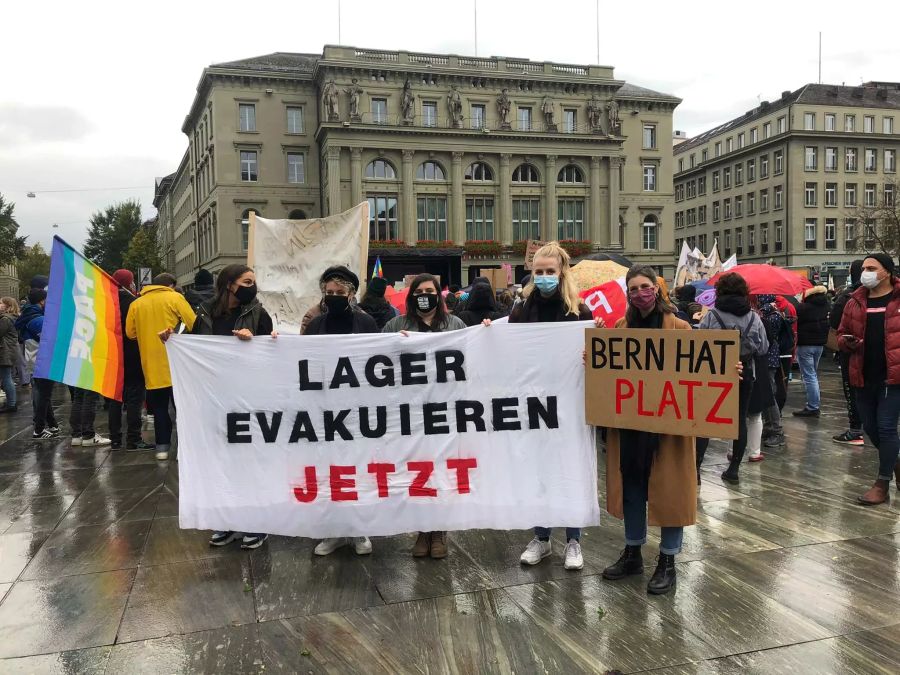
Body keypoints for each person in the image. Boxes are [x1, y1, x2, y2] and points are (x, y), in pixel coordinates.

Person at [601, 266, 704, 595]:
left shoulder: (680, 327)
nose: (639, 293)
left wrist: (731, 369)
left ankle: (668, 560)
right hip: (631, 425)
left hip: (668, 426)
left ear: (657, 290)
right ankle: (633, 552)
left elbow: (702, 369)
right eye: (633, 288)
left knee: (670, 490)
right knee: (632, 486)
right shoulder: (620, 326)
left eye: (645, 286)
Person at [167, 264, 275, 549]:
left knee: (248, 461)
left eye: (253, 281)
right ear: (229, 283)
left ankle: (256, 522)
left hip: (246, 398)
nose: (253, 286)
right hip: (213, 399)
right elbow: (190, 348)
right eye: (247, 281)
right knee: (219, 459)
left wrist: (255, 343)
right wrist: (172, 340)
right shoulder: (203, 313)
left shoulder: (258, 314)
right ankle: (225, 520)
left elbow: (270, 355)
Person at [509, 242, 594, 571]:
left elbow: (592, 357)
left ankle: (573, 540)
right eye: (539, 272)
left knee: (569, 468)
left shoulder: (579, 312)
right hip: (535, 404)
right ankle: (542, 538)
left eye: (550, 272)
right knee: (540, 472)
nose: (544, 277)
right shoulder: (521, 310)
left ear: (562, 273)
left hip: (570, 405)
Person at [384, 273, 467, 559]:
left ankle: (439, 531)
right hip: (411, 412)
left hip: (444, 411)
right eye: (419, 291)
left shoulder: (455, 324)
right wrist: (396, 344)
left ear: (438, 295)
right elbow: (377, 358)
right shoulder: (396, 325)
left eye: (429, 290)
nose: (424, 295)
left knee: (441, 470)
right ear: (411, 295)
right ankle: (422, 529)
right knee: (417, 469)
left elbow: (471, 355)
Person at [304, 266, 377, 556]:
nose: (334, 296)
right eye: (329, 292)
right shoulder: (314, 324)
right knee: (329, 471)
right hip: (324, 410)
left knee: (357, 469)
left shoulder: (366, 322)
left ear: (351, 294)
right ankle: (333, 530)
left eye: (340, 292)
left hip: (357, 409)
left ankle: (358, 530)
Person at [837, 253, 900, 505]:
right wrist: (846, 342)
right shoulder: (855, 300)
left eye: (871, 268)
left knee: (886, 427)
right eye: (864, 268)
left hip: (892, 378)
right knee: (870, 427)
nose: (866, 272)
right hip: (862, 375)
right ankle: (895, 462)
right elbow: (840, 334)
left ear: (886, 271)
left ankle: (882, 483)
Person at [699, 272, 768, 484]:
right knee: (740, 419)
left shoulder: (712, 316)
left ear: (719, 292)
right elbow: (763, 347)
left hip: (714, 372)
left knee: (705, 420)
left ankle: (695, 469)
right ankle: (734, 469)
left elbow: (699, 344)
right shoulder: (753, 317)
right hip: (745, 372)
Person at [125, 272, 197, 461]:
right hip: (176, 364)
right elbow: (194, 323)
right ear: (171, 285)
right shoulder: (175, 298)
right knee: (182, 408)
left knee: (159, 409)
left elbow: (130, 333)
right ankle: (186, 447)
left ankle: (162, 447)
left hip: (151, 366)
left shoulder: (136, 303)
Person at [108, 270, 152, 451]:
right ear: (128, 283)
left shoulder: (106, 303)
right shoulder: (135, 303)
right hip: (133, 355)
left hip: (112, 355)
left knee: (114, 399)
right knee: (134, 398)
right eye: (132, 282)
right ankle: (133, 439)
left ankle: (115, 439)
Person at [15, 290, 59, 439]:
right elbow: (51, 339)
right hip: (43, 361)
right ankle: (39, 429)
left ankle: (52, 425)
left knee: (44, 394)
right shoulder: (38, 320)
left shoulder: (29, 316)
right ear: (41, 301)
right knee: (44, 395)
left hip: (35, 360)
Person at [831, 260, 865, 445]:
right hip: (878, 354)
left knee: (852, 390)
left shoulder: (849, 296)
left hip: (852, 353)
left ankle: (855, 429)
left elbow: (835, 321)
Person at [792, 285, 830, 417]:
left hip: (805, 345)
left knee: (809, 376)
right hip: (819, 344)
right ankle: (814, 403)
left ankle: (813, 406)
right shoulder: (826, 306)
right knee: (812, 374)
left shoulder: (803, 308)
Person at [757, 295, 787, 448]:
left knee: (769, 394)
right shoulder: (774, 313)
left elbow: (766, 338)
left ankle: (775, 430)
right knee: (767, 394)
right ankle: (770, 427)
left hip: (768, 358)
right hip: (771, 358)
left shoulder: (769, 316)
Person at [0, 297, 20, 412]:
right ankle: (10, 402)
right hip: (8, 351)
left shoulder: (6, 319)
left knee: (7, 378)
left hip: (5, 351)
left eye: (1, 303)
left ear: (7, 305)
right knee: (7, 377)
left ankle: (11, 404)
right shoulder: (10, 318)